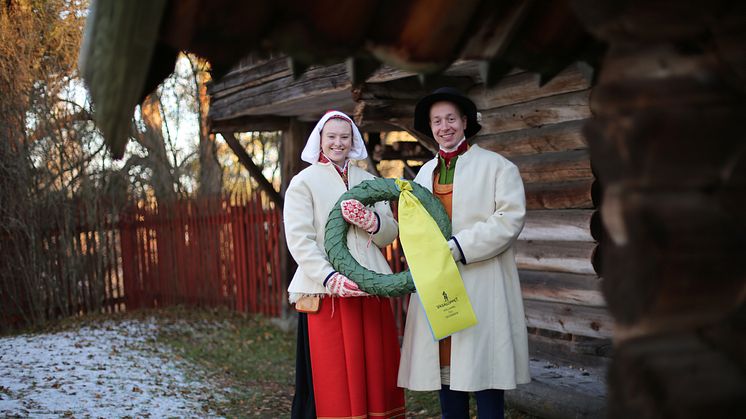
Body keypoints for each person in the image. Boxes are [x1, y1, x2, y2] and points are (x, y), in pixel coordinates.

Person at [397, 87, 530, 418]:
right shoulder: (424, 174)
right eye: (437, 121)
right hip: (439, 286)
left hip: (483, 283)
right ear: (430, 127)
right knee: (447, 372)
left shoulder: (499, 167)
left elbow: (509, 220)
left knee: (485, 371)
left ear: (465, 122)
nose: (444, 127)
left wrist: (459, 247)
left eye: (451, 119)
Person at [284, 110, 406, 419]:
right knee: (335, 373)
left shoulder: (369, 181)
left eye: (344, 137)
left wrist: (372, 221)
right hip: (328, 293)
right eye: (332, 137)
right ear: (320, 140)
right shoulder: (304, 182)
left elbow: (389, 233)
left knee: (375, 368)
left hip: (370, 287)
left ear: (353, 141)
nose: (338, 143)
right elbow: (300, 240)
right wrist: (329, 277)